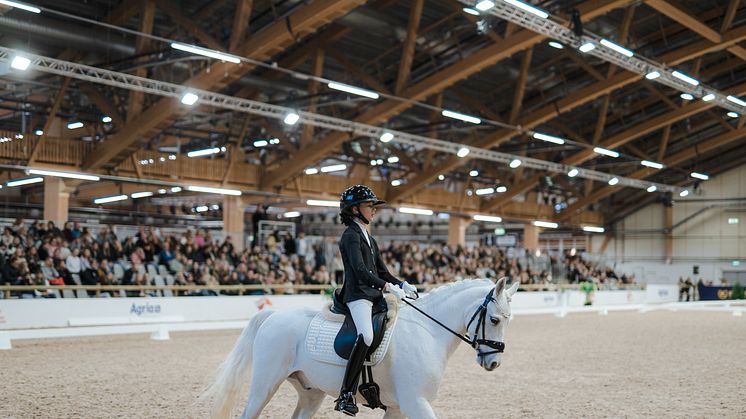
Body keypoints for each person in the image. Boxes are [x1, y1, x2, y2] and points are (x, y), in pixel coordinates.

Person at [333, 185, 417, 416]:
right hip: (357, 295)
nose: (374, 211)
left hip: (373, 294)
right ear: (355, 209)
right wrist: (387, 287)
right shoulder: (350, 236)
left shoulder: (368, 237)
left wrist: (401, 284)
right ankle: (346, 394)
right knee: (366, 335)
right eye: (370, 206)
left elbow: (382, 271)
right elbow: (360, 272)